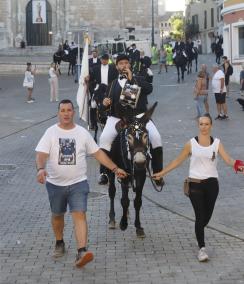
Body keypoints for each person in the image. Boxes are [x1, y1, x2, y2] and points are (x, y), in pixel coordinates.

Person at [35, 99, 127, 268]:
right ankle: (59, 241)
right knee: (57, 215)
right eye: (62, 110)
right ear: (58, 113)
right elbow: (41, 153)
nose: (66, 113)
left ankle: (82, 251)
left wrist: (115, 168)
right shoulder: (51, 132)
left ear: (73, 113)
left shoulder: (82, 133)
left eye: (69, 110)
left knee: (80, 214)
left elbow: (98, 153)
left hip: (78, 183)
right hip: (55, 184)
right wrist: (40, 169)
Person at [152, 113, 244, 262]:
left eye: (207, 124)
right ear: (198, 125)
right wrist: (162, 173)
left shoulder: (217, 143)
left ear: (211, 126)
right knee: (200, 216)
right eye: (201, 124)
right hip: (195, 184)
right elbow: (177, 161)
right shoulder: (191, 143)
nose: (204, 127)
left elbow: (229, 160)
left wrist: (240, 166)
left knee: (206, 218)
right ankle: (202, 248)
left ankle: (198, 232)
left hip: (212, 185)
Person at [99, 54, 164, 186]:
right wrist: (104, 104)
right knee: (104, 139)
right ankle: (104, 172)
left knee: (156, 137)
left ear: (130, 65)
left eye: (126, 63)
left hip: (139, 117)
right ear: (116, 66)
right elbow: (104, 109)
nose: (124, 65)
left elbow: (149, 89)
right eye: (121, 63)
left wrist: (132, 79)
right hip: (117, 118)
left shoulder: (139, 78)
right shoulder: (112, 85)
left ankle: (158, 173)